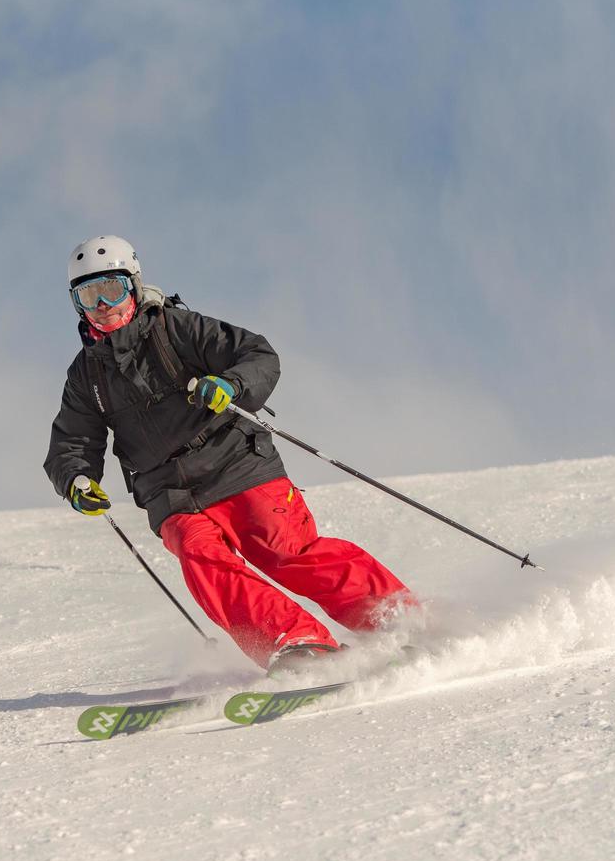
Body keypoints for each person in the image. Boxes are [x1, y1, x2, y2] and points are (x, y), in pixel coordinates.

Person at [44, 235, 413, 672]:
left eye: (112, 288)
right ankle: (296, 643)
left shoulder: (175, 329)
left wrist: (231, 385)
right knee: (206, 565)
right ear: (77, 305)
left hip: (236, 462)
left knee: (284, 549)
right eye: (89, 294)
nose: (103, 303)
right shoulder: (86, 374)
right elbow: (73, 439)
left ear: (135, 285)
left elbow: (256, 354)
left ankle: (400, 619)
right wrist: (76, 479)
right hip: (169, 493)